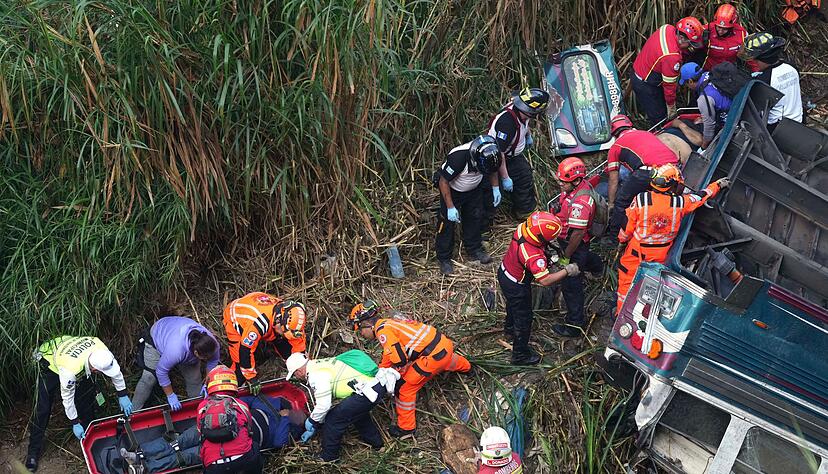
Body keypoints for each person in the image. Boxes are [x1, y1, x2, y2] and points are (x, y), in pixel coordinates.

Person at [616, 164, 731, 311]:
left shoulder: (641, 199)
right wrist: (718, 185)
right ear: (671, 185)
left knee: (625, 289)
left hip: (635, 255)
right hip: (660, 259)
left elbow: (627, 226)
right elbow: (701, 196)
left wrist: (621, 242)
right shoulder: (680, 203)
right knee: (650, 292)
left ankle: (621, 315)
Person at [349, 301, 471, 437]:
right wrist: (382, 369)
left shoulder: (383, 332)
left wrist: (393, 374)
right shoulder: (390, 322)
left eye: (360, 330)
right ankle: (468, 368)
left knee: (404, 388)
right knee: (449, 360)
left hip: (432, 358)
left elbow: (400, 359)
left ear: (366, 324)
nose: (362, 334)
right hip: (443, 346)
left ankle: (406, 428)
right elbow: (391, 351)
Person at [26, 336, 132, 472]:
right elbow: (67, 398)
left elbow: (115, 371)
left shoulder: (101, 348)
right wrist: (74, 422)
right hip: (49, 360)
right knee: (43, 408)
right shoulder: (70, 370)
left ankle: (91, 439)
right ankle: (33, 452)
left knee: (86, 397)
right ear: (95, 369)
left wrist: (122, 394)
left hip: (71, 352)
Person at [120, 394, 304, 472]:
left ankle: (146, 468)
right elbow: (243, 401)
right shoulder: (270, 403)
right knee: (179, 441)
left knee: (184, 456)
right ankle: (139, 454)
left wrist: (286, 420)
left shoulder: (285, 430)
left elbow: (278, 442)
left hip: (234, 444)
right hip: (221, 425)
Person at [285, 352, 400, 462]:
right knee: (356, 414)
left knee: (333, 420)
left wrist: (313, 421)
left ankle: (328, 458)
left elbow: (324, 405)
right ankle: (377, 444)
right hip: (376, 385)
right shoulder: (319, 363)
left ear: (299, 371)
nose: (297, 376)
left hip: (368, 390)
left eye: (295, 374)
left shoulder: (315, 375)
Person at [498, 211, 579, 364]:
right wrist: (566, 271)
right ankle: (520, 355)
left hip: (505, 271)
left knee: (512, 306)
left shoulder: (523, 229)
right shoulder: (532, 256)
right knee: (524, 318)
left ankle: (509, 330)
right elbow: (546, 281)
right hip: (516, 284)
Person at [604, 115, 680, 241]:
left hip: (649, 171)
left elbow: (613, 180)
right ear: (630, 126)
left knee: (622, 202)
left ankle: (614, 238)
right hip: (674, 168)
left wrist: (611, 203)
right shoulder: (646, 133)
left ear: (614, 134)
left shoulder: (615, 147)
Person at [553, 158, 605, 337]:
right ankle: (598, 267)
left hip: (573, 244)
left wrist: (566, 257)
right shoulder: (575, 189)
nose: (560, 184)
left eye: (563, 182)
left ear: (576, 180)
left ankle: (575, 324)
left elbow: (577, 234)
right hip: (573, 241)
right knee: (586, 258)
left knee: (571, 285)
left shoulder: (581, 202)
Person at [436, 135, 503, 275]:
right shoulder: (458, 158)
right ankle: (444, 258)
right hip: (452, 190)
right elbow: (443, 182)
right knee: (446, 224)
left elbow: (493, 170)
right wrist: (450, 207)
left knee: (475, 216)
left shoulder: (492, 152)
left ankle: (474, 248)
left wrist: (495, 188)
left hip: (474, 189)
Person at [484, 87, 550, 221]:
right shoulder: (507, 124)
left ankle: (524, 212)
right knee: (491, 194)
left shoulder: (523, 111)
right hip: (497, 159)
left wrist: (527, 136)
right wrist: (505, 177)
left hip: (513, 157)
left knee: (524, 177)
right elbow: (499, 152)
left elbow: (525, 122)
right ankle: (483, 230)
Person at [223, 292, 309, 394]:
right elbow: (245, 350)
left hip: (261, 307)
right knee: (239, 366)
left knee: (282, 343)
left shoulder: (293, 321)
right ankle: (227, 390)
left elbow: (298, 344)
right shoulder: (259, 323)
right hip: (236, 317)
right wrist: (251, 378)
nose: (285, 336)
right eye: (285, 333)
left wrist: (298, 366)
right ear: (278, 321)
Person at [132, 316, 220, 411]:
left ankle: (199, 411)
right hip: (157, 337)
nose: (207, 359)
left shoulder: (212, 344)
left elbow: (213, 361)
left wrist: (208, 383)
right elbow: (161, 372)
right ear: (196, 353)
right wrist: (170, 395)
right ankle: (132, 413)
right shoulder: (176, 350)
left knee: (194, 380)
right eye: (205, 358)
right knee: (149, 378)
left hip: (178, 338)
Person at [631, 17, 704, 125]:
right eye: (690, 43)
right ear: (681, 38)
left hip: (640, 68)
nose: (690, 47)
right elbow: (669, 85)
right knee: (660, 119)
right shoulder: (672, 57)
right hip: (646, 85)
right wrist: (671, 107)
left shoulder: (667, 28)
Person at [196, 365, 263, 473]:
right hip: (244, 459)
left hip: (214, 464)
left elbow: (200, 433)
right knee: (254, 446)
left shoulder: (202, 407)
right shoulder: (241, 405)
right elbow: (250, 429)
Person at [740, 32, 803, 132]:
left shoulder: (764, 80)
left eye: (756, 61)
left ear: (762, 59)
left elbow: (756, 108)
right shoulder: (791, 67)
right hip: (799, 119)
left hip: (778, 127)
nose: (756, 64)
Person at [679, 62, 733, 149]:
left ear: (690, 81)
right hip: (736, 105)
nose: (687, 86)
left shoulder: (704, 98)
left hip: (730, 120)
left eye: (686, 83)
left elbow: (709, 127)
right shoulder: (711, 74)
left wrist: (704, 146)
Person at [702, 4, 751, 71]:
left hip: (729, 72)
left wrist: (756, 72)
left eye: (724, 29)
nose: (720, 31)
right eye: (718, 27)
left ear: (732, 27)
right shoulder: (706, 30)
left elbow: (748, 56)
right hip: (708, 71)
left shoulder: (742, 34)